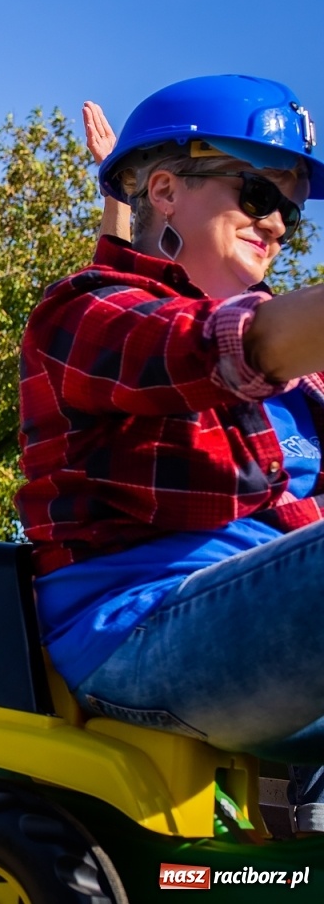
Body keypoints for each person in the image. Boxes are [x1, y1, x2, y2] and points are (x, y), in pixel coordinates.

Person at [18, 74, 324, 828]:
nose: (280, 224)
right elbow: (208, 347)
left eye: (290, 208)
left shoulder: (309, 374)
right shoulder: (85, 312)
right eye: (260, 194)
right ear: (163, 190)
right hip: (139, 630)